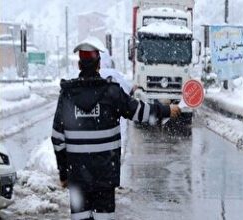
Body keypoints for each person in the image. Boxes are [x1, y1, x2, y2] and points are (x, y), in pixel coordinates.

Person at [51, 37, 181, 220]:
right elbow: (139, 111)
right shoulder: (111, 93)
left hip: (78, 176)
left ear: (80, 65)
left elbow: (57, 137)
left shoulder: (67, 95)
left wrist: (64, 172)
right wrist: (167, 110)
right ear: (98, 65)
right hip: (104, 176)